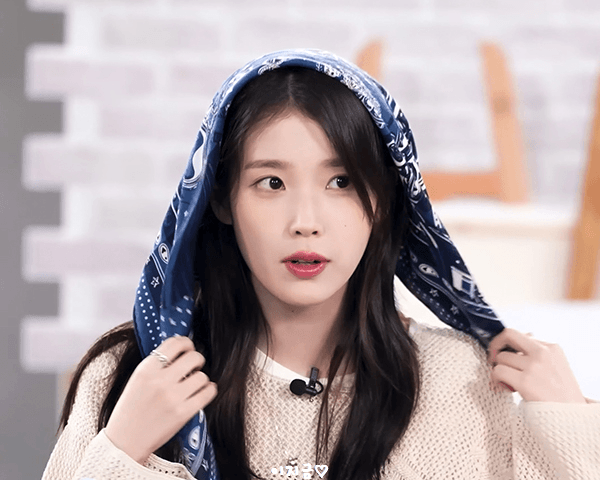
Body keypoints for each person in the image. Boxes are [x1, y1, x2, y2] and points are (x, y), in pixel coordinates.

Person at [42, 49, 599, 480]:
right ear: (221, 201)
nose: (305, 221)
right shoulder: (131, 377)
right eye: (271, 183)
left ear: (383, 202)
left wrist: (572, 422)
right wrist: (121, 452)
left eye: (341, 182)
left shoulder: (467, 382)